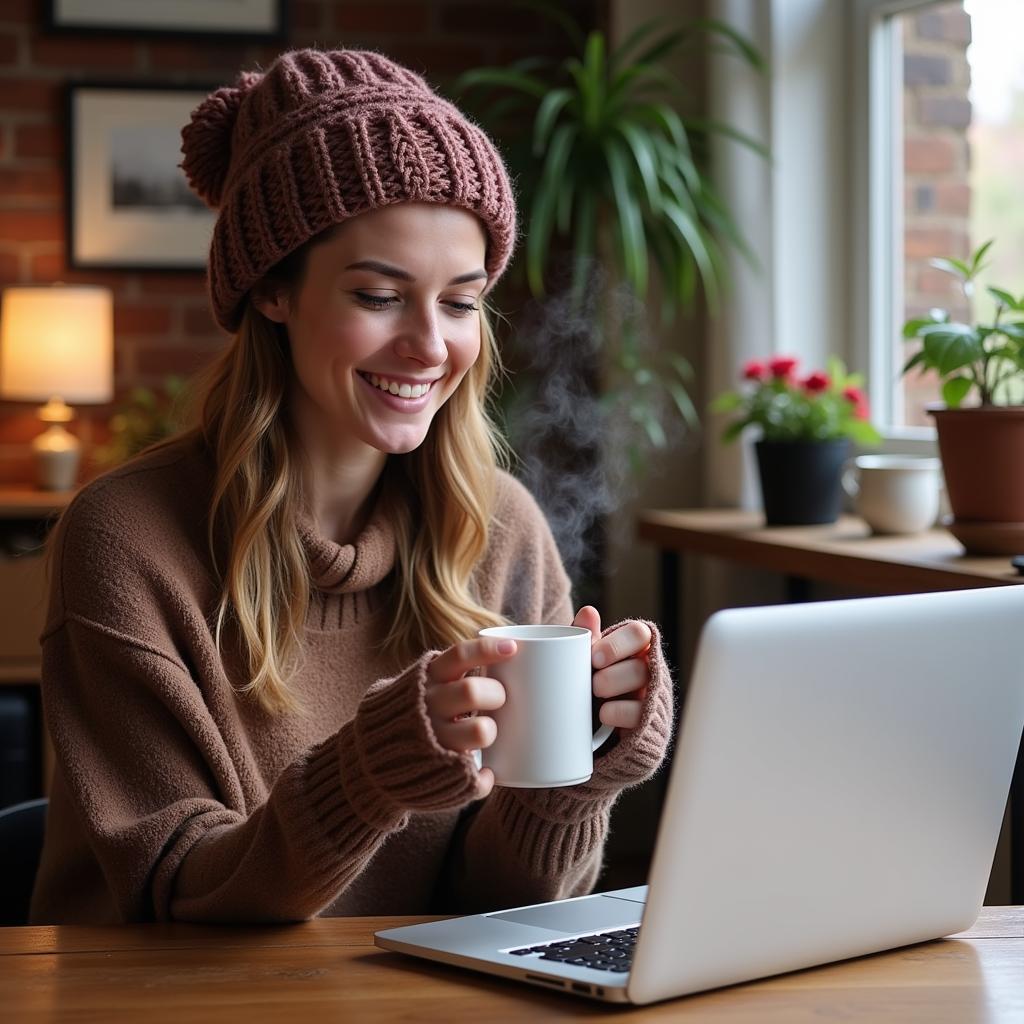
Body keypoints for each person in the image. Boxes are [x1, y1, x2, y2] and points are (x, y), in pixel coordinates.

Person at [29, 48, 673, 925]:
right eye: (379, 295)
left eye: (460, 302)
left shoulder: (502, 530)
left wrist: (578, 776)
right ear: (272, 292)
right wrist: (369, 770)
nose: (430, 345)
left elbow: (496, 907)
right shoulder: (127, 540)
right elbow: (178, 896)